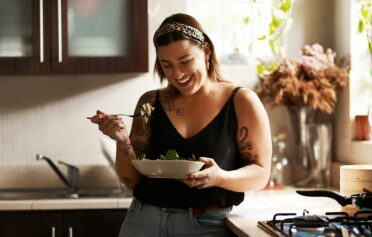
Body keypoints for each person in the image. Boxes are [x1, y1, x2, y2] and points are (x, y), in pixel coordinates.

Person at [89, 13, 272, 237]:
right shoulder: (150, 102)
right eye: (167, 65)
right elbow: (131, 180)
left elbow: (261, 174)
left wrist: (220, 177)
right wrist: (122, 141)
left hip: (207, 226)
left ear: (206, 51)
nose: (178, 74)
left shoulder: (241, 102)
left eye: (185, 61)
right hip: (142, 221)